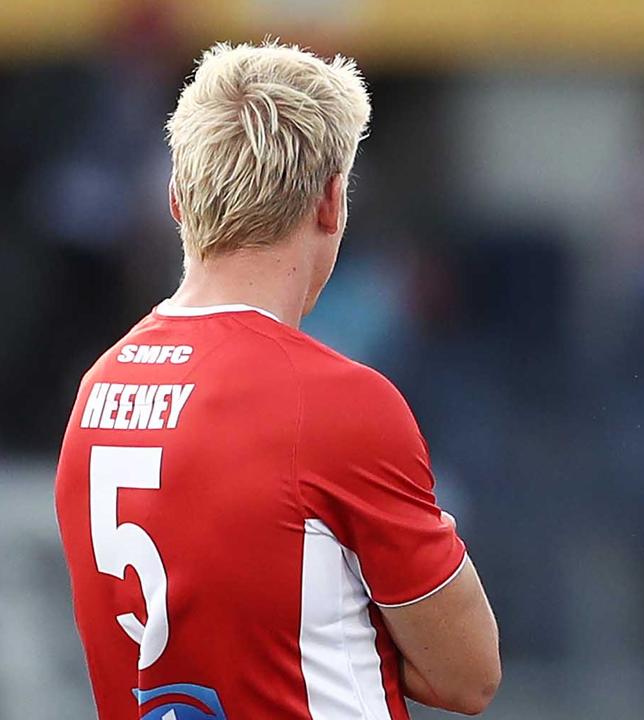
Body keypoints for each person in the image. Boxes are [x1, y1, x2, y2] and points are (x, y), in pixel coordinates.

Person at [54, 41, 500, 719]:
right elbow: (467, 675)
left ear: (178, 198)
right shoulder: (336, 401)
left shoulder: (98, 390)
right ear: (329, 201)